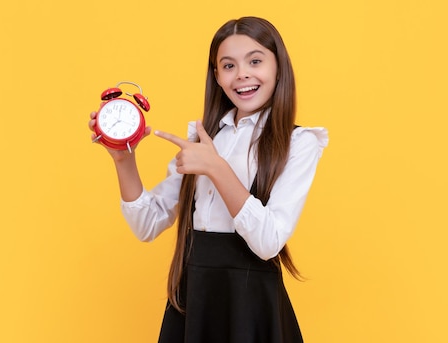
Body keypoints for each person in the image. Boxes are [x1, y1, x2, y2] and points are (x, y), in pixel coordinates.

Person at [89, 16, 328, 343]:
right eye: (228, 65)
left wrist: (216, 167)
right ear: (216, 76)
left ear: (278, 67)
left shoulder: (298, 142)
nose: (242, 73)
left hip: (252, 303)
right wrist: (123, 158)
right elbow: (147, 224)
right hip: (196, 298)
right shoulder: (202, 138)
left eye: (255, 61)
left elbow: (268, 241)